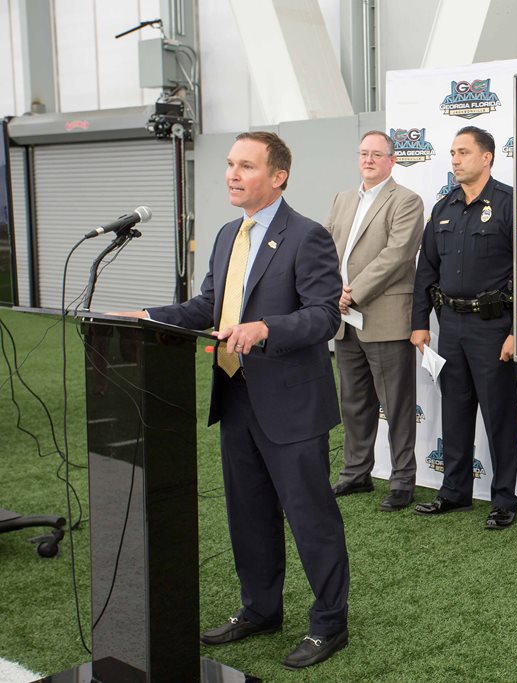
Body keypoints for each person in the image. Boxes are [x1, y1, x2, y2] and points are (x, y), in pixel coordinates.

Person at [115, 132, 350, 668]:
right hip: (237, 397)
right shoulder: (226, 235)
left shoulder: (307, 236)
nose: (232, 174)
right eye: (229, 164)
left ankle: (329, 624)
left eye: (246, 165)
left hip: (290, 405)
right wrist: (149, 317)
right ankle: (260, 609)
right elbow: (207, 306)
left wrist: (265, 327)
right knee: (247, 514)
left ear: (278, 175)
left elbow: (324, 316)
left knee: (310, 518)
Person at [410, 126, 517, 530]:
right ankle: (454, 492)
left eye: (463, 152)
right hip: (449, 326)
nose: (454, 159)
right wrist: (419, 323)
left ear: (487, 157)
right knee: (454, 410)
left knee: (499, 416)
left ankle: (504, 499)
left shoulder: (509, 204)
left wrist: (516, 331)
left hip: (493, 327)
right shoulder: (443, 208)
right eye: (452, 153)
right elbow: (427, 270)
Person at [325, 130, 425, 511]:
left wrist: (353, 290)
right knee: (353, 402)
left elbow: (398, 254)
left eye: (376, 154)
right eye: (363, 153)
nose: (368, 160)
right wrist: (331, 289)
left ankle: (402, 480)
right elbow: (324, 248)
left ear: (392, 160)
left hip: (382, 315)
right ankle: (356, 473)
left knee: (397, 404)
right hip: (343, 317)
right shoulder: (342, 199)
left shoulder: (407, 201)